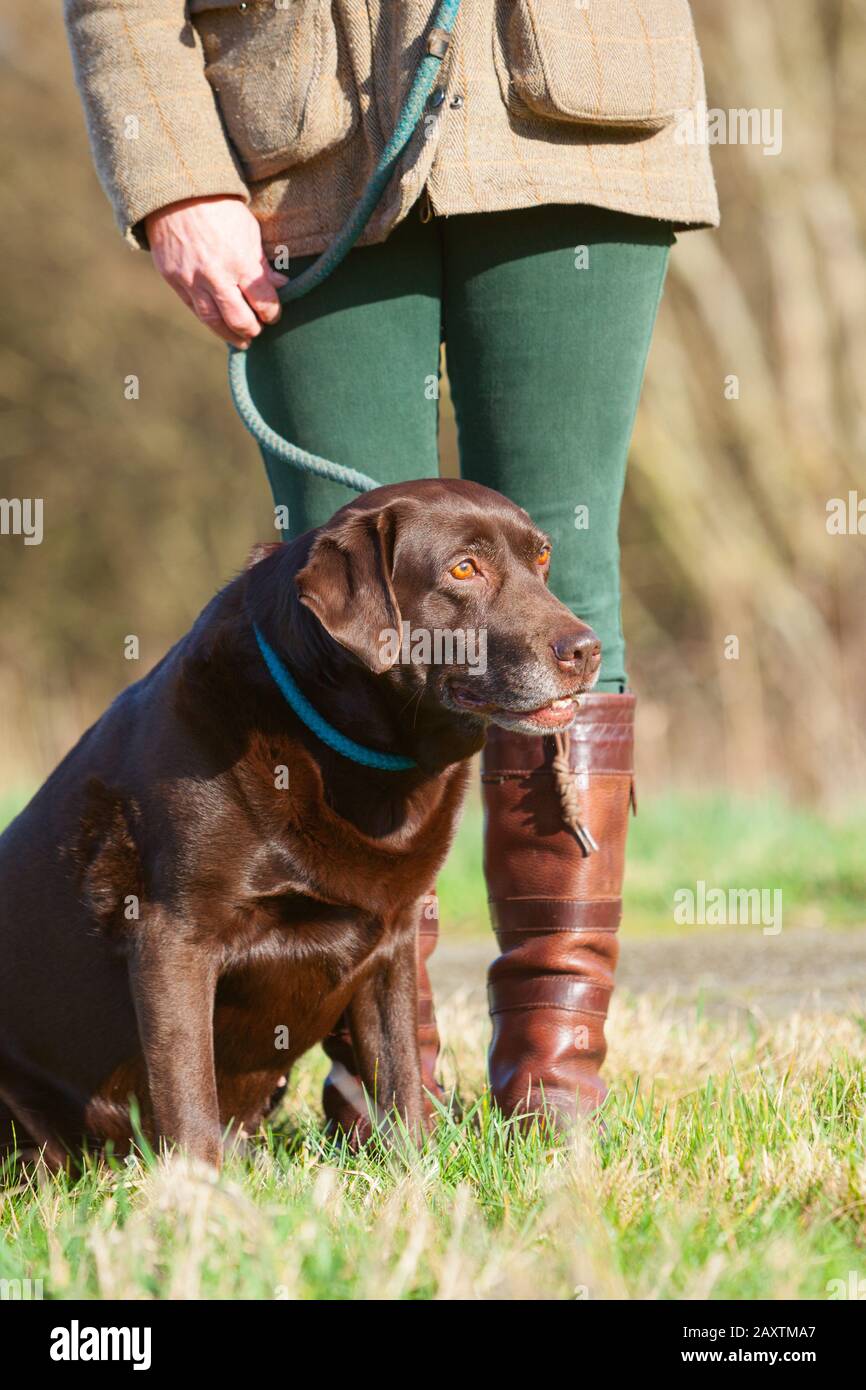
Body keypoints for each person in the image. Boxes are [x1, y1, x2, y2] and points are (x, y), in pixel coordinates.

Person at [64, 0, 717, 1128]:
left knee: (565, 597)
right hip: (300, 129)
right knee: (341, 608)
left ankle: (550, 1084)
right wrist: (171, 169)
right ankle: (385, 1092)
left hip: (579, 107)